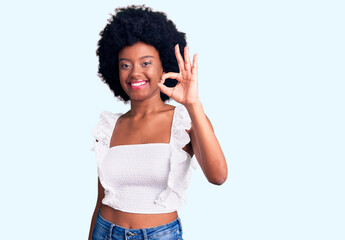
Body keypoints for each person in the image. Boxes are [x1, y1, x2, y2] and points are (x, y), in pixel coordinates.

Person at [88, 5, 227, 240]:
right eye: (125, 64)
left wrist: (193, 104)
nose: (134, 73)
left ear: (164, 65)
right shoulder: (109, 126)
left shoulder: (185, 120)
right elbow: (101, 199)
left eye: (145, 63)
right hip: (105, 231)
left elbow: (218, 176)